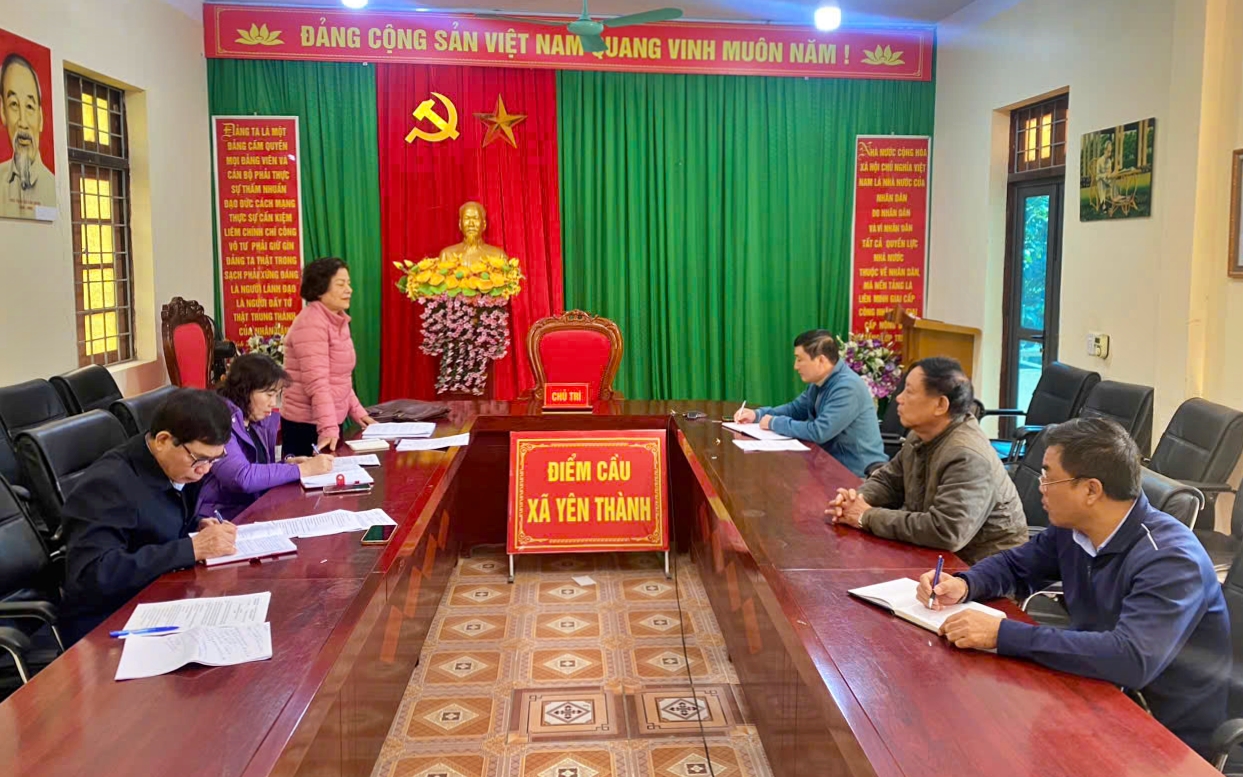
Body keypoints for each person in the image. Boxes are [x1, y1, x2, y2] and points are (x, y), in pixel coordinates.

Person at [918, 418, 1230, 759]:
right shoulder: (1075, 528)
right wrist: (964, 584)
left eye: (1049, 477)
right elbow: (1016, 566)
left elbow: (1130, 658)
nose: (1041, 486)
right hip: (1094, 691)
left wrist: (1002, 634)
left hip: (1164, 737)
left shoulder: (1170, 559)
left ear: (1091, 490)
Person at [59, 389, 240, 644]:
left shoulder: (177, 467)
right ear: (163, 440)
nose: (205, 470)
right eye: (199, 459)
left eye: (214, 460)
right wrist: (191, 548)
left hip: (161, 595)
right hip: (108, 622)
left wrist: (197, 525)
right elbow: (93, 575)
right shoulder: (108, 484)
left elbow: (153, 524)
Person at [826, 357, 1026, 564]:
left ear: (940, 405)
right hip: (932, 556)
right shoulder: (920, 435)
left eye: (909, 392)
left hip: (982, 569)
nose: (899, 398)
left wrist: (866, 516)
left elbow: (945, 531)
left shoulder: (967, 455)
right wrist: (856, 501)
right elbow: (889, 482)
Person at [197, 353, 334, 521]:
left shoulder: (254, 421)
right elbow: (242, 477)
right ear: (245, 390)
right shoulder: (218, 421)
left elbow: (257, 468)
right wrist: (302, 470)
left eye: (276, 395)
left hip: (254, 510)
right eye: (269, 395)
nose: (273, 403)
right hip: (223, 518)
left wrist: (287, 465)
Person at [733, 330, 886, 477]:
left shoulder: (847, 387)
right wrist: (757, 415)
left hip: (856, 475)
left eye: (800, 359)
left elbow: (819, 432)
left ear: (821, 360)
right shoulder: (819, 383)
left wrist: (774, 423)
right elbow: (794, 409)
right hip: (828, 466)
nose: (795, 366)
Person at [281, 257, 375, 456]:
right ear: (319, 289)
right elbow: (317, 383)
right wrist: (328, 428)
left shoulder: (337, 320)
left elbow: (340, 378)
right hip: (308, 425)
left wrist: (358, 412)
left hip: (328, 420)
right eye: (341, 284)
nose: (349, 290)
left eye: (349, 283)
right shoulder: (311, 323)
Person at [0, 53, 56, 219]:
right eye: (14, 104)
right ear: (3, 112)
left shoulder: (53, 187)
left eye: (30, 107)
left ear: (40, 118)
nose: (23, 122)